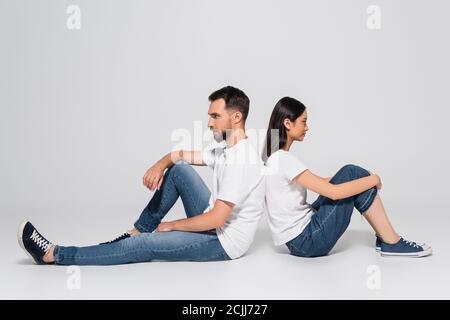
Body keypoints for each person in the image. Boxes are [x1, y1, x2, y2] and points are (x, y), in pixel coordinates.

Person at [18, 86, 265, 265]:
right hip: (213, 222)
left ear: (236, 117)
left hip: (223, 241)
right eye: (209, 116)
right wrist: (160, 164)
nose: (209, 123)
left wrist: (171, 226)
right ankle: (138, 229)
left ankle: (54, 254)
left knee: (143, 246)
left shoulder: (241, 159)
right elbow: (179, 156)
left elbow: (217, 220)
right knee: (179, 170)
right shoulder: (226, 148)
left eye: (215, 116)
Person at [263, 96, 432, 258]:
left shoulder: (277, 158)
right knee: (351, 172)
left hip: (300, 239)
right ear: (287, 123)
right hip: (307, 241)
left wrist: (359, 180)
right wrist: (373, 180)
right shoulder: (283, 159)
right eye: (304, 121)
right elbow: (334, 193)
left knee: (351, 174)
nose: (307, 128)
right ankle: (391, 241)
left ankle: (385, 238)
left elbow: (320, 181)